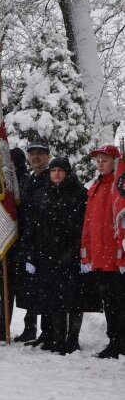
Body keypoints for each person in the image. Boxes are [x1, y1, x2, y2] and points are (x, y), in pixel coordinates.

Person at [22, 157, 88, 353]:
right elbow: (33, 227)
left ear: (67, 173)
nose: (56, 174)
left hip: (73, 256)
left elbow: (84, 227)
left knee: (74, 299)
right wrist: (31, 255)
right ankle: (58, 338)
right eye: (53, 170)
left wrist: (78, 252)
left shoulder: (79, 194)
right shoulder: (42, 194)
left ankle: (72, 339)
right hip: (48, 256)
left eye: (60, 170)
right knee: (54, 298)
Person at [81, 144, 124, 358]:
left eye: (104, 160)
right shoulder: (95, 187)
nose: (99, 164)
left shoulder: (120, 187)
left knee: (119, 301)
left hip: (117, 257)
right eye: (97, 160)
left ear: (115, 162)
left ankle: (120, 341)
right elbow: (88, 225)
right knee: (110, 302)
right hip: (100, 258)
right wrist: (86, 253)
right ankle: (115, 340)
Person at [0, 147, 29, 341]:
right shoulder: (0, 183)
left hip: (20, 242)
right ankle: (3, 325)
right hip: (3, 240)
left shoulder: (25, 182)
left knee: (26, 289)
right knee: (5, 288)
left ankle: (30, 327)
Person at [14, 140, 52, 345]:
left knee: (45, 289)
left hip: (45, 243)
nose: (35, 157)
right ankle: (30, 328)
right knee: (30, 288)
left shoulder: (51, 179)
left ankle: (48, 332)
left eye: (40, 153)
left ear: (47, 156)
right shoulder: (28, 180)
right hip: (28, 241)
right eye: (32, 154)